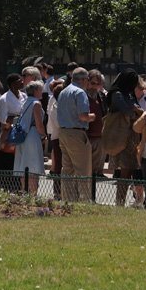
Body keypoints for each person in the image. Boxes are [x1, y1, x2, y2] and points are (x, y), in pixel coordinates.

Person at [56, 68, 96, 202]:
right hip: (77, 133)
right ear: (84, 79)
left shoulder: (63, 91)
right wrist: (92, 116)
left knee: (67, 169)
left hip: (63, 132)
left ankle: (67, 200)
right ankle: (85, 201)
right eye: (88, 80)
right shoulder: (80, 92)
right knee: (83, 169)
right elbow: (83, 116)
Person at [106, 69, 143, 207]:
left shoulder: (128, 93)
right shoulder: (117, 94)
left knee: (132, 170)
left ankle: (131, 200)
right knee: (125, 171)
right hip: (122, 137)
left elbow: (135, 108)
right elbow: (128, 112)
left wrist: (135, 109)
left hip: (132, 137)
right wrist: (136, 110)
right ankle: (119, 202)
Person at [14, 80, 47, 194]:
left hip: (22, 136)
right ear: (36, 90)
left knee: (24, 166)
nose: (42, 91)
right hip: (32, 136)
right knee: (33, 166)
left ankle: (25, 191)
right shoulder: (36, 103)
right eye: (40, 89)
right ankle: (33, 194)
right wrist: (43, 135)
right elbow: (39, 124)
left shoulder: (24, 102)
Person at [0, 74, 26, 172]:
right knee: (9, 157)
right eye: (19, 80)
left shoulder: (24, 96)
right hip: (9, 132)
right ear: (13, 84)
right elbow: (3, 120)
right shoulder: (4, 99)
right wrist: (14, 119)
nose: (22, 82)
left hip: (23, 130)